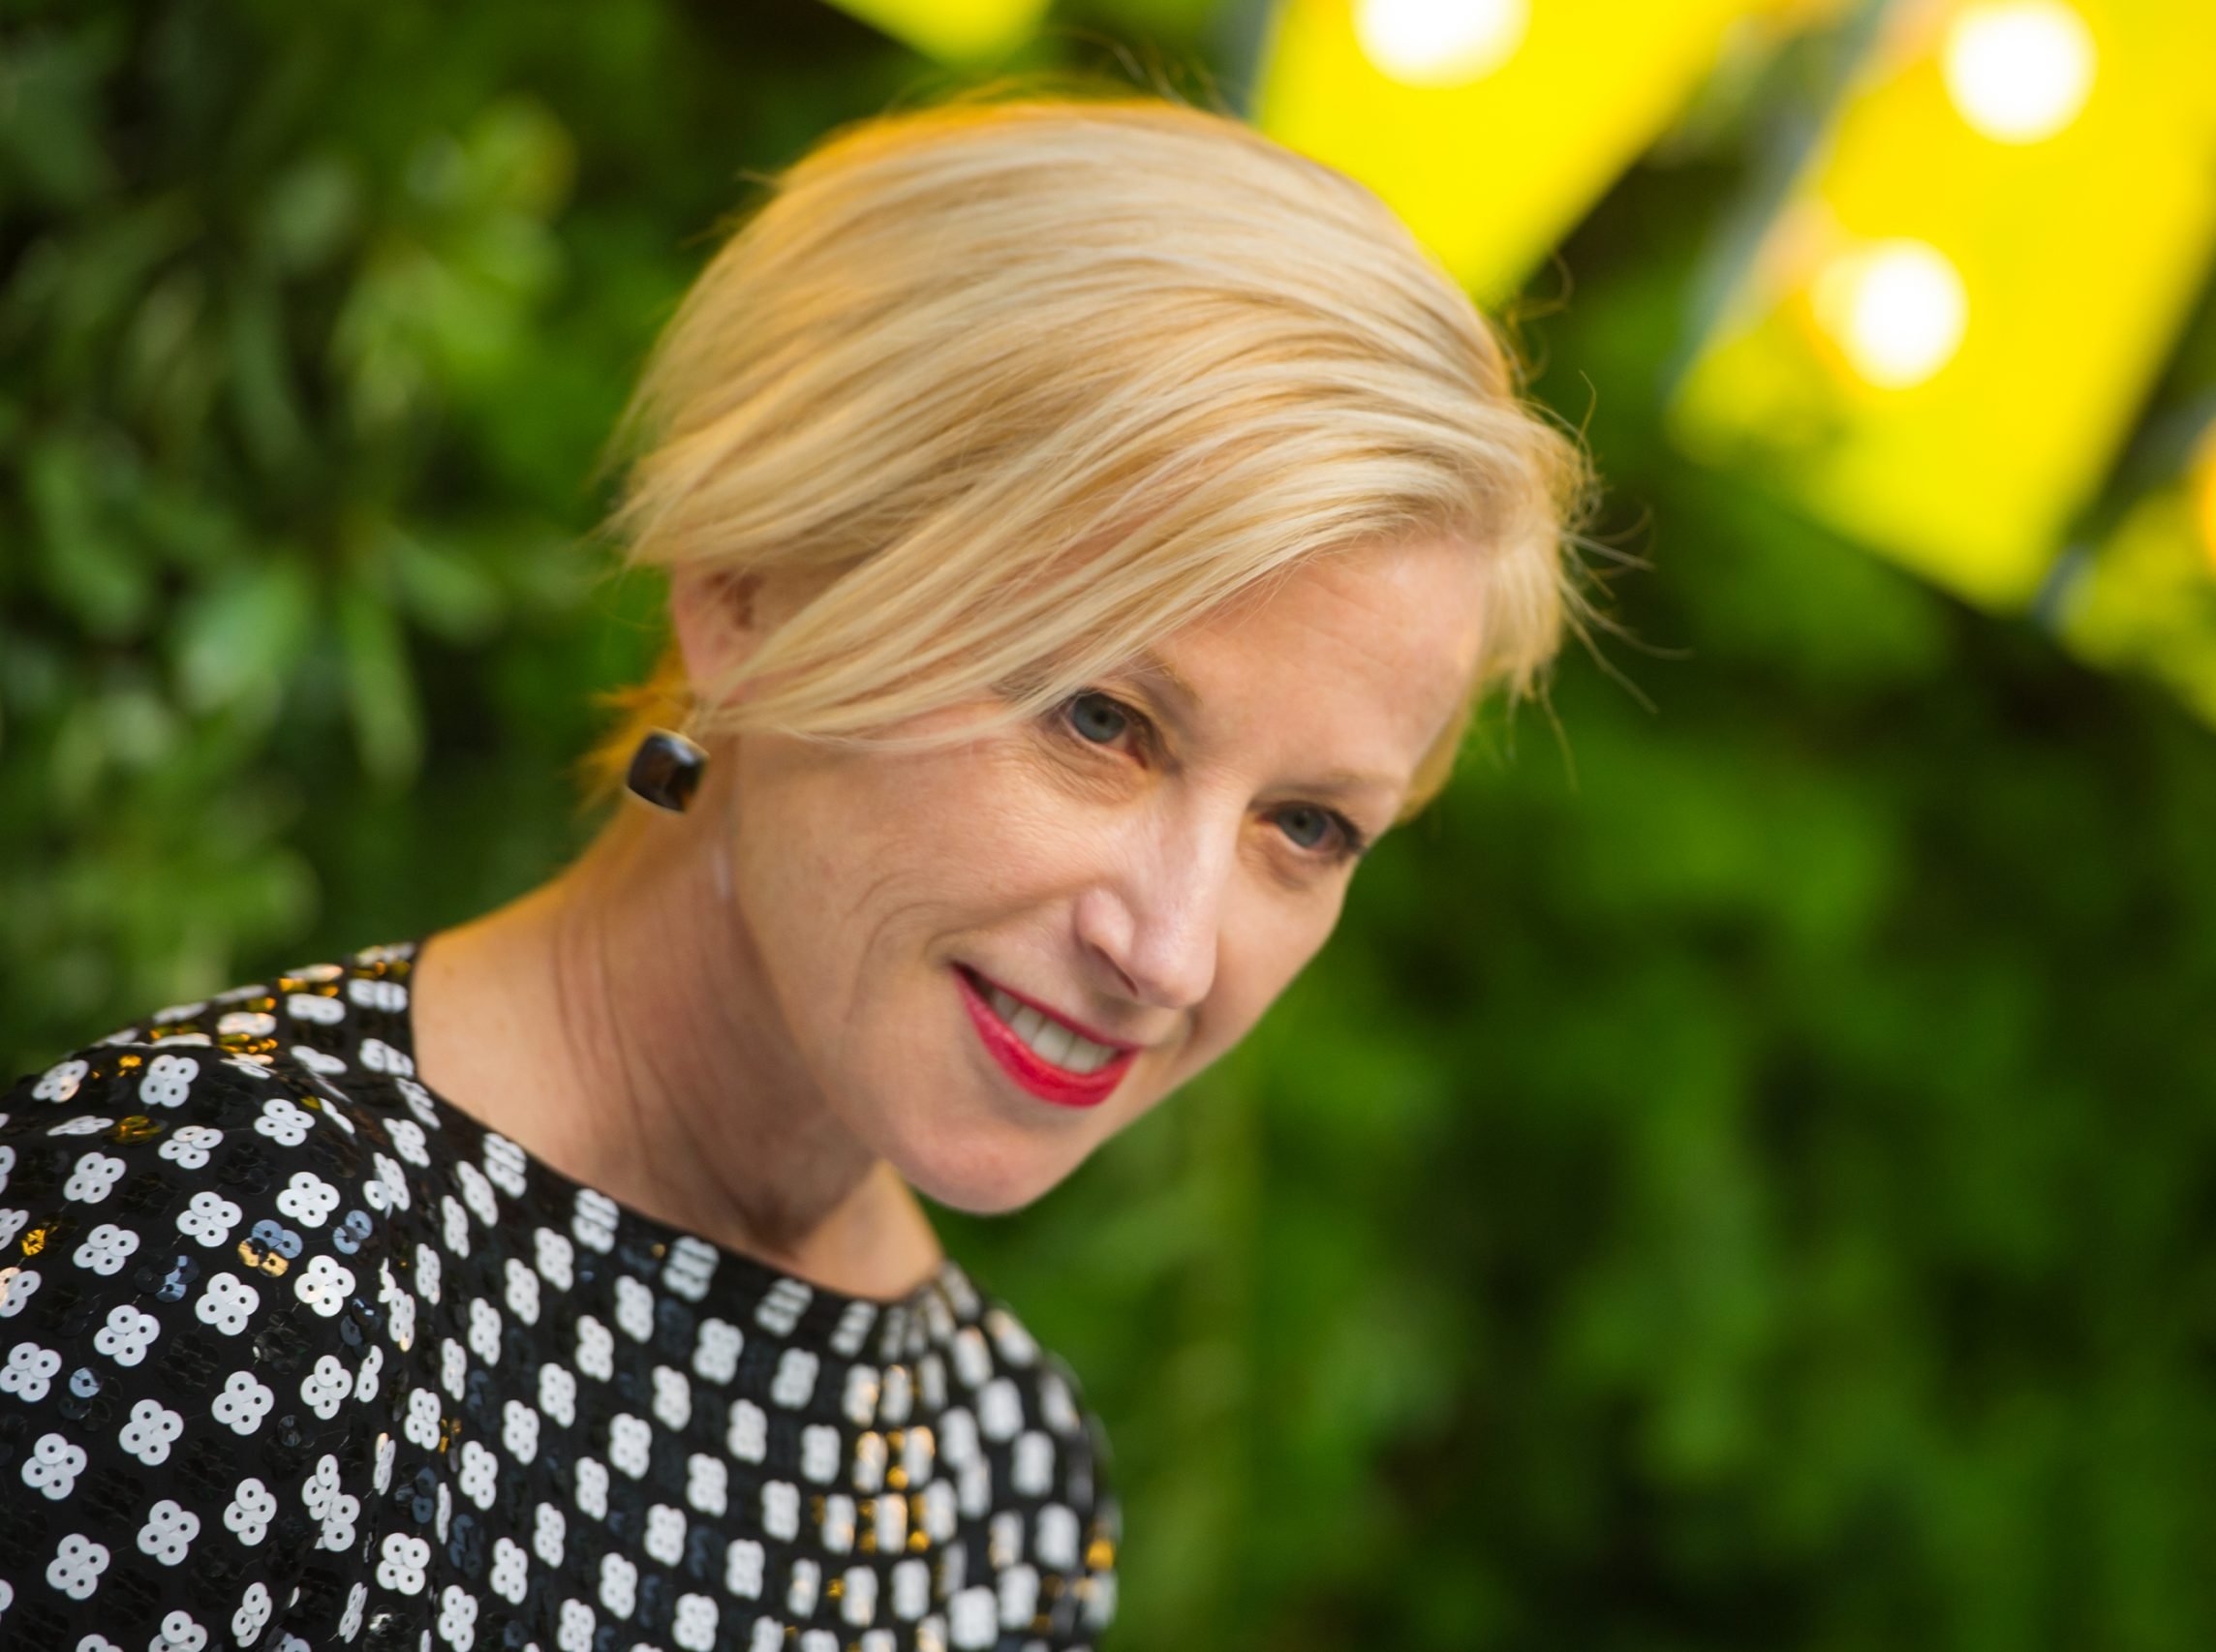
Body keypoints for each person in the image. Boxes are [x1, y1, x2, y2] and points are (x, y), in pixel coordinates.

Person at [0, 92, 1593, 1652]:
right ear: (748, 588)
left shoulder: (1007, 1481)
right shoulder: (220, 1249)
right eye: (1101, 718)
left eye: (1307, 827)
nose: (1171, 951)